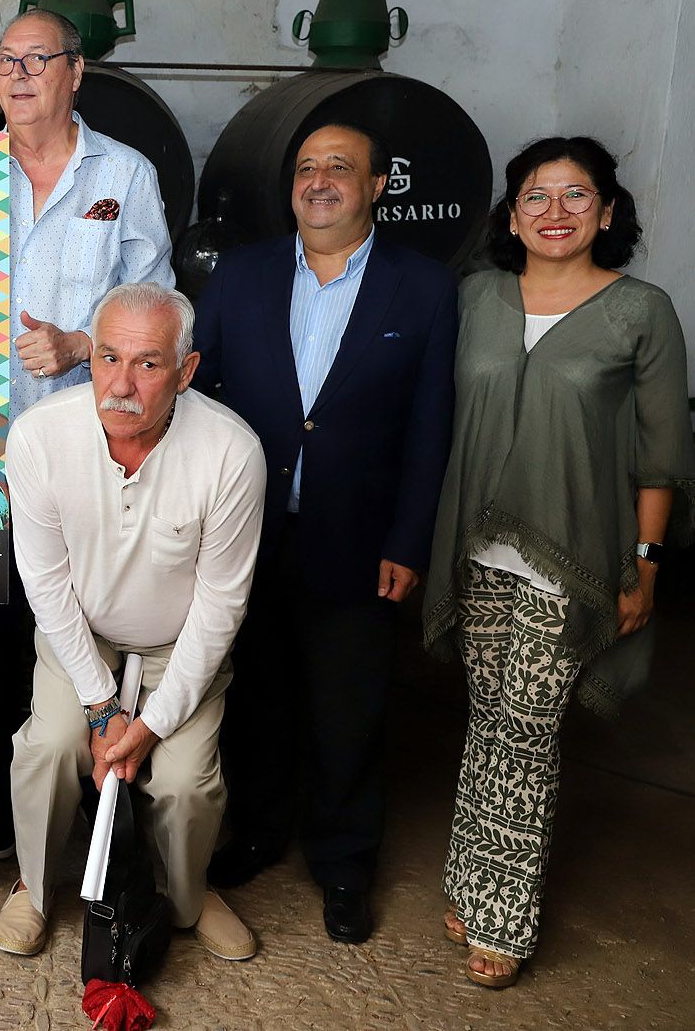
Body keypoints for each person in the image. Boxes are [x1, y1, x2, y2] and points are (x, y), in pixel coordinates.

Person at [421, 136, 693, 988]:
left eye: (577, 196)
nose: (555, 213)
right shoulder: (477, 296)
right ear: (512, 214)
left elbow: (661, 454)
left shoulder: (640, 310)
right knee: (486, 720)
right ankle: (470, 879)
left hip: (574, 560)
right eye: (536, 196)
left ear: (608, 213)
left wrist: (645, 563)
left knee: (528, 732)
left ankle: (503, 915)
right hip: (478, 550)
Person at [191, 123, 457, 943]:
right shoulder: (242, 275)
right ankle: (264, 832)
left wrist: (409, 540)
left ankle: (345, 863)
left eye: (340, 167)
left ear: (378, 185)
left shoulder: (424, 287)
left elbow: (430, 426)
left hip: (360, 539)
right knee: (259, 696)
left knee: (349, 713)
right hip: (250, 535)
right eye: (306, 167)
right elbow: (198, 398)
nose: (319, 181)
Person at [0, 282, 266, 962]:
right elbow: (46, 581)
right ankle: (32, 884)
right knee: (48, 747)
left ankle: (187, 896)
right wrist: (98, 706)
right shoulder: (38, 435)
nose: (120, 383)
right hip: (78, 635)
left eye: (147, 363)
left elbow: (220, 605)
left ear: (187, 370)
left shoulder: (232, 451)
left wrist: (149, 724)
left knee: (185, 782)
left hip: (180, 646)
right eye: (108, 356)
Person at [0, 7, 176, 855]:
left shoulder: (124, 175)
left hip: (80, 450)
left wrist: (80, 346)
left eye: (37, 59)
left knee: (66, 624)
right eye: (6, 60)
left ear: (76, 71)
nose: (19, 75)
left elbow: (160, 307)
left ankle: (86, 829)